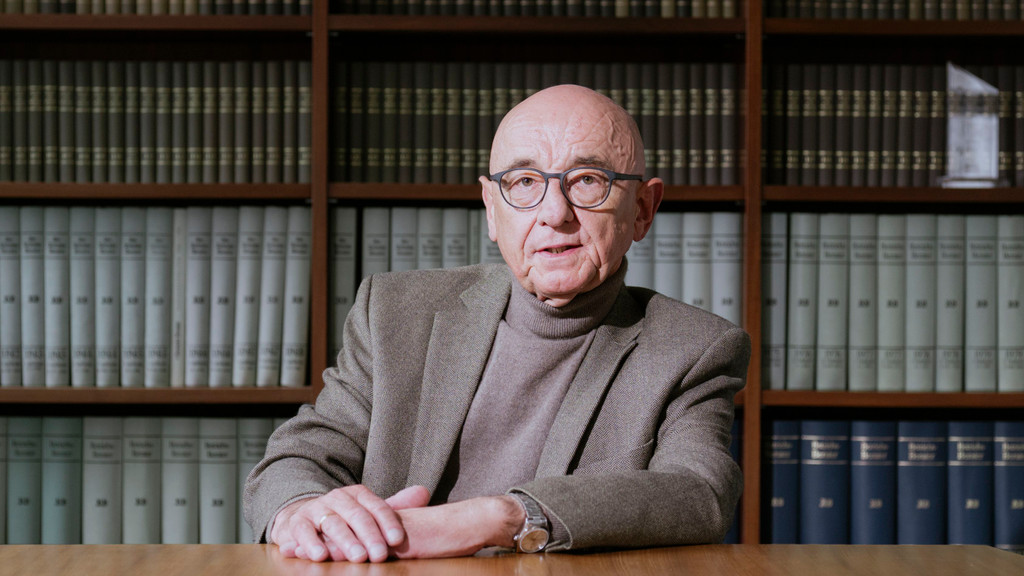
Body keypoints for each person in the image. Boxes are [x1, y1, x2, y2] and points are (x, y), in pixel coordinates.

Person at [243, 84, 750, 563]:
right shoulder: (395, 311)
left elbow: (700, 493)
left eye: (587, 181)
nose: (555, 213)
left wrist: (501, 516)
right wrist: (302, 509)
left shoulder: (695, 348)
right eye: (525, 182)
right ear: (491, 208)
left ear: (642, 209)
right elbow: (300, 457)